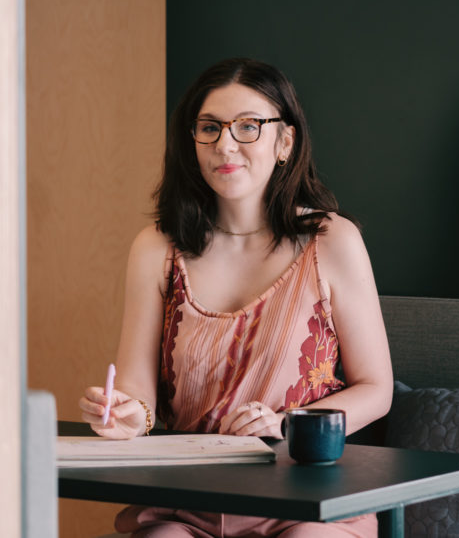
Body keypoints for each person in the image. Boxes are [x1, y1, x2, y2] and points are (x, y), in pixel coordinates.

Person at [79, 58, 393, 537]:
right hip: (188, 498)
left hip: (307, 496)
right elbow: (139, 397)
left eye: (248, 126)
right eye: (209, 127)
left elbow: (377, 389)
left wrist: (287, 427)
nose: (225, 143)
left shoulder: (332, 240)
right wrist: (125, 416)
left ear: (284, 141)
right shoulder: (156, 248)